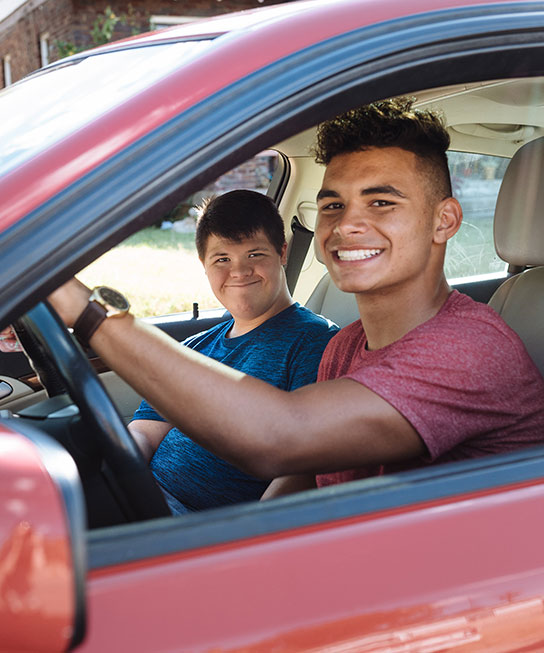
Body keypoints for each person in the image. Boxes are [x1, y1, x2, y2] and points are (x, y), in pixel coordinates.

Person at [48, 98, 544, 503]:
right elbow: (305, 475)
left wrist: (79, 305)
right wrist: (241, 543)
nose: (346, 224)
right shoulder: (346, 346)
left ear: (445, 221)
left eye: (382, 201)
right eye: (333, 205)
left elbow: (281, 438)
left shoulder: (470, 349)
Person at [127, 190, 338, 513]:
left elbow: (306, 466)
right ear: (204, 265)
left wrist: (251, 532)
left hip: (202, 524)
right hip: (141, 497)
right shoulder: (195, 347)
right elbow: (144, 431)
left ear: (282, 252)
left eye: (254, 255)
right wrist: (118, 476)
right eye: (222, 259)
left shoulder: (315, 342)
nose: (239, 271)